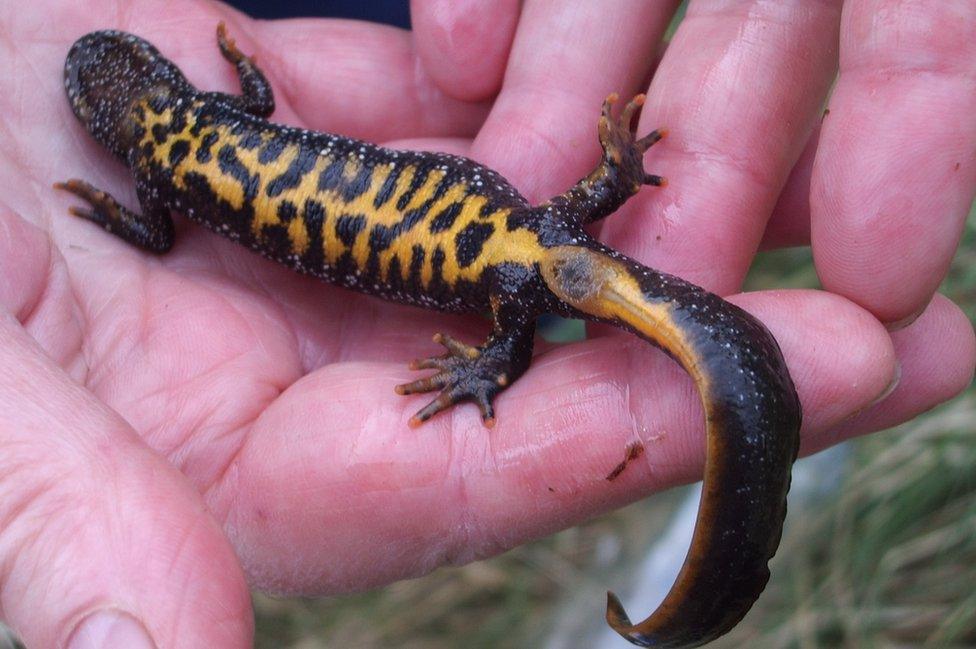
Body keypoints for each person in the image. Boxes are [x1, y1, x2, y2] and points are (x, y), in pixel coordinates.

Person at [1, 2, 973, 647]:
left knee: (527, 281)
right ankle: (592, 227)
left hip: (516, 261)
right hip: (528, 235)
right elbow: (256, 100)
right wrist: (614, 179)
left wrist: (117, 212)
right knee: (538, 254)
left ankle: (503, 361)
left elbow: (159, 238)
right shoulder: (212, 118)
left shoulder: (160, 178)